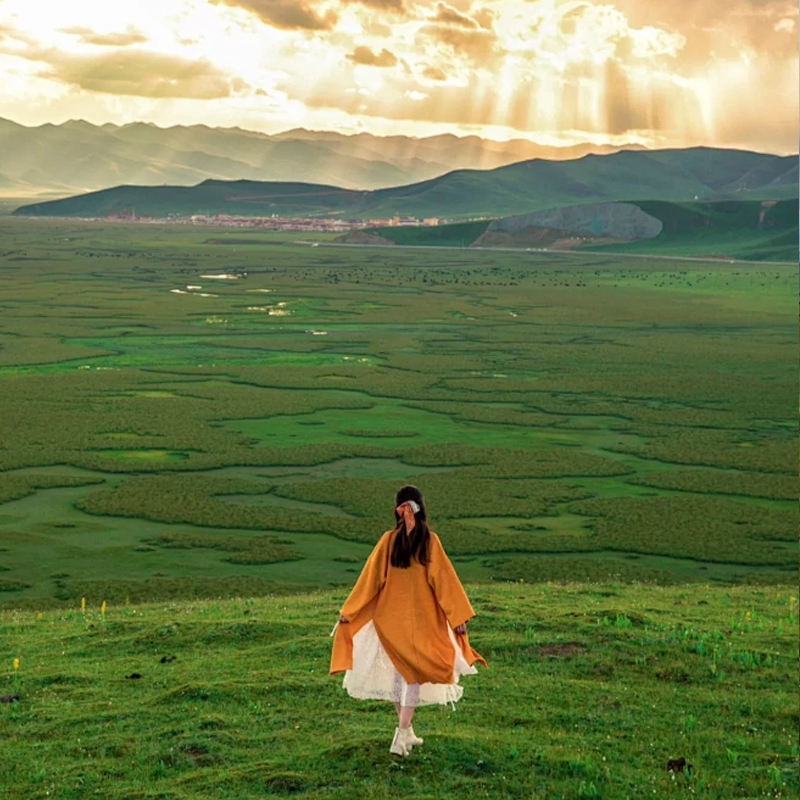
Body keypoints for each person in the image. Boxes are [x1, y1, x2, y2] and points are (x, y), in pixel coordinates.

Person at [329, 484, 486, 756]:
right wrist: (458, 617)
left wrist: (350, 611)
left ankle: (407, 731)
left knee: (400, 676)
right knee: (412, 676)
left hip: (390, 622)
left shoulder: (388, 541)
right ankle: (401, 735)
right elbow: (444, 581)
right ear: (421, 508)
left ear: (399, 510)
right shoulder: (429, 541)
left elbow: (369, 580)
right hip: (422, 622)